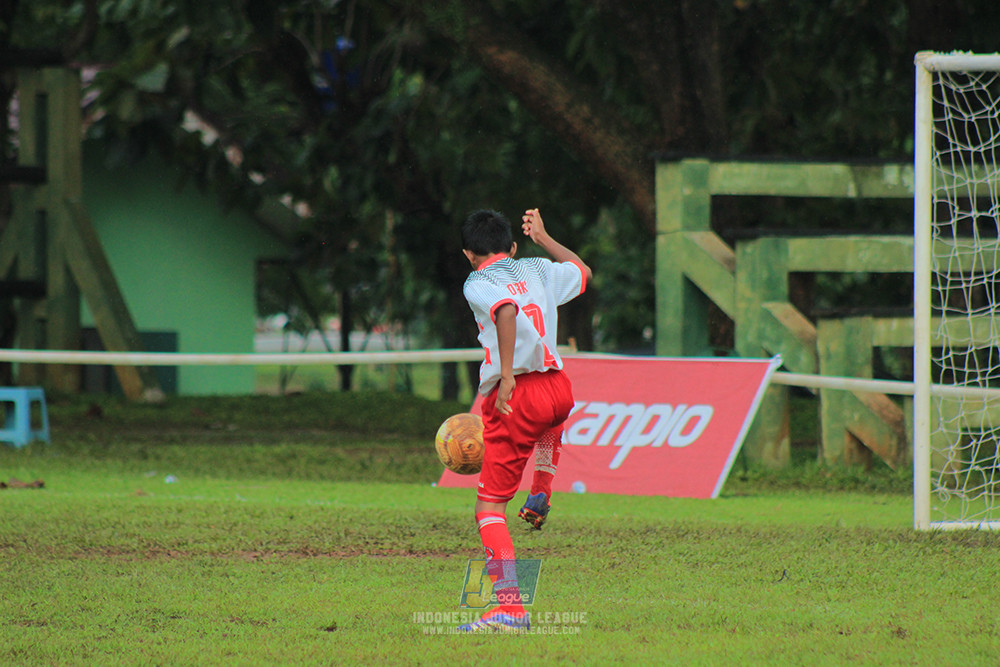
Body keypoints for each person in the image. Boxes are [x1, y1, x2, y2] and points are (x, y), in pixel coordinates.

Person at [457, 207, 592, 633]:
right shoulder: (536, 266)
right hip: (557, 386)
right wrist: (546, 237)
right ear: (513, 247)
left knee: (488, 508)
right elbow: (582, 271)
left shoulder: (478, 279)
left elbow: (505, 312)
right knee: (549, 422)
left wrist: (510, 375)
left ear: (468, 254)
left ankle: (510, 610)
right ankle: (541, 491)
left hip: (518, 394)